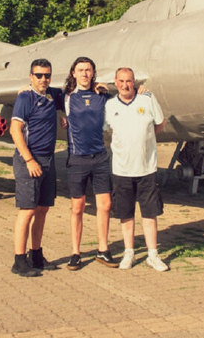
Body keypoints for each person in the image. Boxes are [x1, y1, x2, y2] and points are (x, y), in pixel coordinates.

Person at [104, 67, 169, 272]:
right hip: (122, 169)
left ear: (134, 82)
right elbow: (106, 130)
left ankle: (152, 254)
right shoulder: (110, 105)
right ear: (116, 82)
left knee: (150, 214)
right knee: (126, 214)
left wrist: (146, 140)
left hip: (146, 168)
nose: (125, 85)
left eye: (129, 81)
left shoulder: (147, 99)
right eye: (121, 81)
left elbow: (159, 124)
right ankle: (129, 252)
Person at [62, 57, 118, 270]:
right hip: (77, 159)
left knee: (105, 206)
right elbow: (42, 92)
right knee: (77, 208)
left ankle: (103, 250)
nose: (84, 74)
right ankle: (75, 252)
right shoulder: (66, 97)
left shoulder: (103, 97)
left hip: (100, 157)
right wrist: (24, 89)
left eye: (88, 70)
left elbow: (124, 100)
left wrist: (143, 94)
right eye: (80, 70)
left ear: (93, 73)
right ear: (73, 73)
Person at [9, 59, 63, 277]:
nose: (43, 79)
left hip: (48, 159)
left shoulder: (53, 95)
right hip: (29, 160)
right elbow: (15, 130)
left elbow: (73, 91)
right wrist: (29, 160)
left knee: (42, 209)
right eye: (39, 75)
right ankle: (19, 261)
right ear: (30, 76)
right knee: (28, 210)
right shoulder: (25, 97)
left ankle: (36, 255)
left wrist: (99, 88)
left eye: (47, 75)